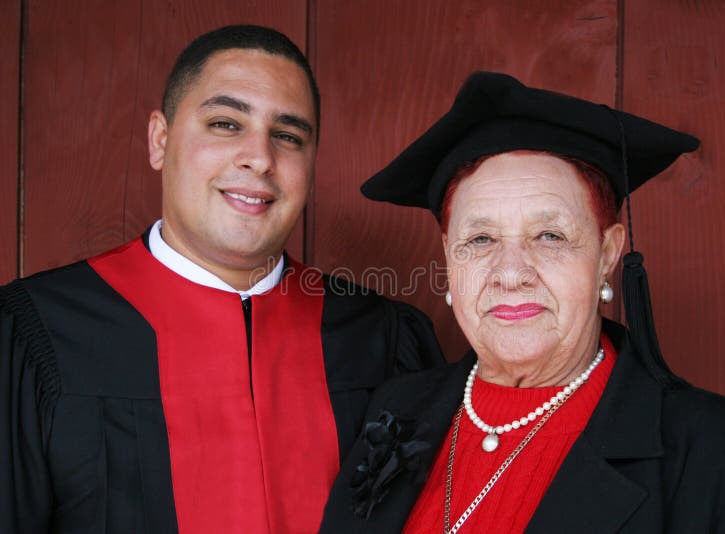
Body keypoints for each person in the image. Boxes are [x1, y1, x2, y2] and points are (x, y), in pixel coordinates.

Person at [0, 25, 442, 533]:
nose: (260, 157)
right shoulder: (36, 337)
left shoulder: (383, 340)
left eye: (288, 136)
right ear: (160, 140)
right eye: (225, 124)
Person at [319, 72, 725, 533]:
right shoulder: (393, 412)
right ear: (448, 257)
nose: (511, 274)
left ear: (607, 254)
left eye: (549, 235)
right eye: (481, 239)